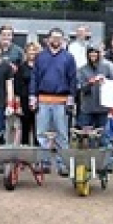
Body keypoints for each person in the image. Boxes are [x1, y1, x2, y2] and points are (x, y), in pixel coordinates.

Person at [30, 28, 77, 176]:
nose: (56, 40)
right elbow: (35, 77)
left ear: (63, 40)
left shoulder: (68, 58)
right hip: (43, 99)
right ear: (48, 39)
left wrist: (71, 97)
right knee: (41, 133)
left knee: (62, 135)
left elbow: (72, 79)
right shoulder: (40, 57)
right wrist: (32, 96)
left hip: (61, 101)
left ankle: (63, 164)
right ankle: (44, 163)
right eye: (53, 37)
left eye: (59, 38)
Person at [77, 46, 113, 129]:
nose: (93, 54)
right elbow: (80, 88)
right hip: (87, 109)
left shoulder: (109, 67)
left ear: (100, 54)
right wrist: (90, 83)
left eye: (96, 52)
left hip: (104, 109)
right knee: (86, 136)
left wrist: (105, 82)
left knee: (104, 136)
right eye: (91, 52)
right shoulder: (82, 69)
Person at [11, 42, 39, 144]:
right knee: (25, 129)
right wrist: (18, 106)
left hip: (38, 100)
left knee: (38, 130)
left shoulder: (41, 67)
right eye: (29, 50)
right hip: (24, 101)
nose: (32, 52)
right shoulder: (21, 67)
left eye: (34, 50)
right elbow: (17, 87)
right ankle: (25, 156)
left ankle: (38, 155)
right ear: (26, 52)